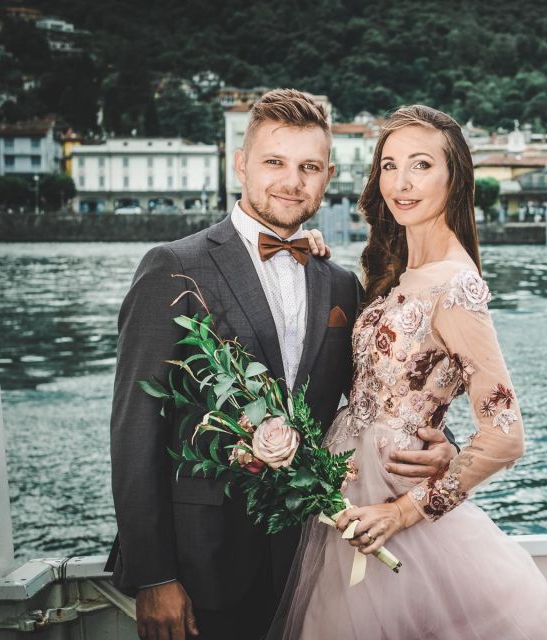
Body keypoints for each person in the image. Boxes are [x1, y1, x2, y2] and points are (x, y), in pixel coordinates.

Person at [107, 90, 458, 640]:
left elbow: (378, 388)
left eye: (309, 167)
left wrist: (443, 442)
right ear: (241, 163)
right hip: (202, 562)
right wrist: (154, 577)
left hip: (312, 555)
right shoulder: (174, 268)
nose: (292, 182)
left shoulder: (339, 281)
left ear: (328, 176)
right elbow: (134, 432)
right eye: (274, 162)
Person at [268, 106, 547, 639]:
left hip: (392, 501)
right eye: (389, 165)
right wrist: (311, 256)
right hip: (349, 482)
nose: (400, 183)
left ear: (455, 178)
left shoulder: (456, 286)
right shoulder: (402, 271)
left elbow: (505, 436)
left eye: (421, 165)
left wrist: (404, 512)